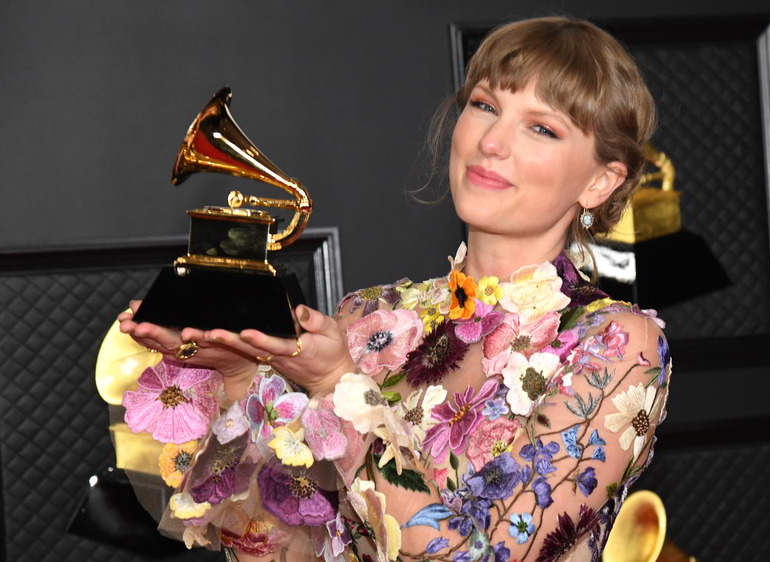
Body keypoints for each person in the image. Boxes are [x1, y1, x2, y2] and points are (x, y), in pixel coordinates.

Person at [117, 15, 671, 562]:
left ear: (601, 181)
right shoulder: (368, 320)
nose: (492, 142)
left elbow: (475, 555)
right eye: (484, 106)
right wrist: (238, 377)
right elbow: (273, 551)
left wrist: (336, 386)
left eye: (542, 127)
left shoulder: (617, 343)